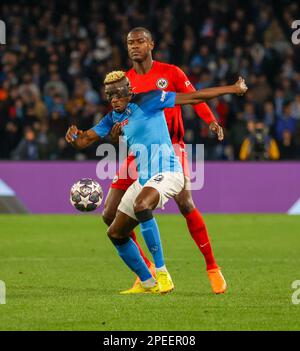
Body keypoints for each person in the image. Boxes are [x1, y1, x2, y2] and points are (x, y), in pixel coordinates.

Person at [65, 71, 247, 294]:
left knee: (143, 205)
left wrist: (233, 88)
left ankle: (162, 273)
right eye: (109, 95)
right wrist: (74, 137)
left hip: (169, 172)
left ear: (129, 91)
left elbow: (193, 97)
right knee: (115, 232)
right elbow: (84, 140)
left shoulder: (150, 99)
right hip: (144, 179)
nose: (114, 99)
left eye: (118, 94)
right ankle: (147, 281)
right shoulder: (114, 117)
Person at [103, 27, 227, 294]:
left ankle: (212, 267)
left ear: (151, 45)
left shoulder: (171, 72)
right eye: (130, 43)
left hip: (171, 147)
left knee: (186, 203)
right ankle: (146, 271)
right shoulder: (125, 81)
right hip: (139, 152)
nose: (134, 46)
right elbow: (118, 118)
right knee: (110, 214)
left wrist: (212, 121)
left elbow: (194, 98)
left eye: (140, 41)